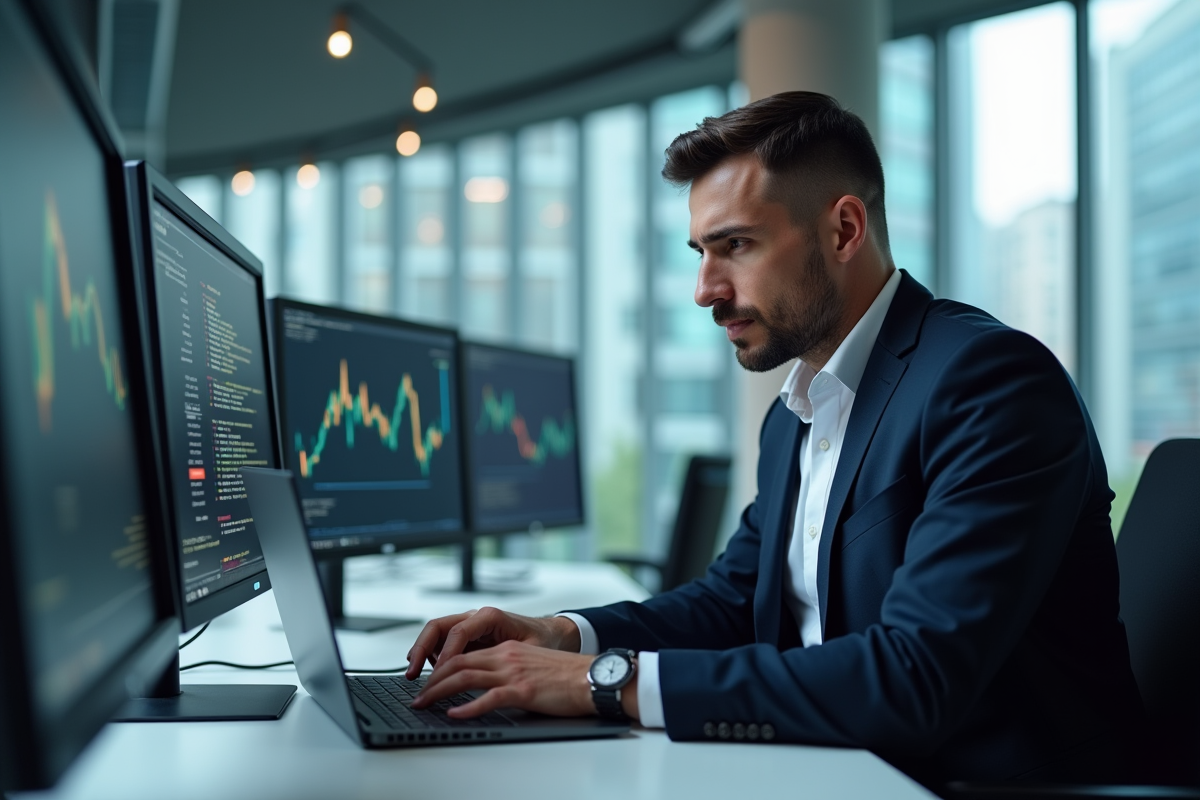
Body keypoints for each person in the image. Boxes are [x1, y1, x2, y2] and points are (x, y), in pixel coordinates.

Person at [405, 91, 1143, 786]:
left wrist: (606, 683)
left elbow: (916, 676)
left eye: (736, 245)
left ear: (844, 230)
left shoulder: (988, 381)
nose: (705, 288)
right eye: (700, 252)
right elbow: (735, 602)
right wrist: (563, 636)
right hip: (838, 767)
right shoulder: (795, 412)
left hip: (965, 784)